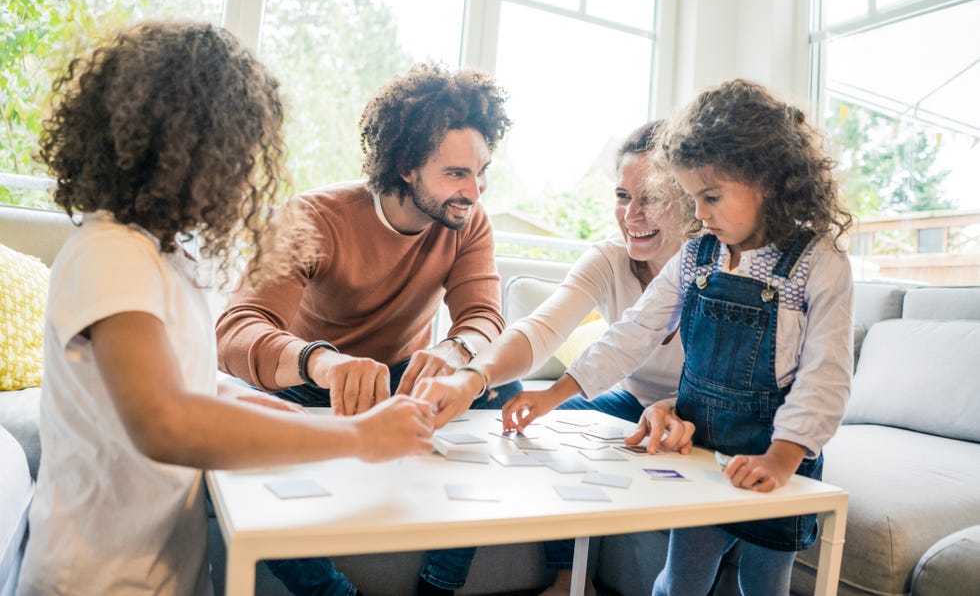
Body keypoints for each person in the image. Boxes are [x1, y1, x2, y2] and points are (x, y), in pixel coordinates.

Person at [16, 21, 436, 596]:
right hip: (95, 577)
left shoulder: (161, 252)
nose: (243, 172)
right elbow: (166, 420)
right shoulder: (109, 253)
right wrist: (359, 438)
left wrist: (255, 402)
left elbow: (184, 374)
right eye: (238, 149)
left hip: (160, 567)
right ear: (189, 150)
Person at [501, 78, 855, 596]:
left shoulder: (820, 263)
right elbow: (634, 332)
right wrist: (556, 393)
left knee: (765, 587)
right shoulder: (697, 256)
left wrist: (781, 457)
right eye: (692, 199)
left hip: (777, 460)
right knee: (678, 582)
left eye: (710, 197)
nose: (700, 214)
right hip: (700, 456)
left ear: (770, 180)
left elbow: (826, 374)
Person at [215, 62, 520, 596]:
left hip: (402, 381)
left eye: (482, 171)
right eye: (455, 174)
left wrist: (455, 351)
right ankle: (331, 592)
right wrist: (323, 361)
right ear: (406, 165)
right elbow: (238, 328)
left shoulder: (469, 220)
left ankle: (438, 585)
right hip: (306, 377)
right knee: (235, 416)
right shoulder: (312, 216)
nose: (474, 192)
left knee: (502, 385)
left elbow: (484, 319)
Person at [414, 119, 692, 594]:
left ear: (688, 202)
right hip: (631, 402)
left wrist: (678, 408)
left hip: (703, 414)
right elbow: (539, 330)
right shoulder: (609, 259)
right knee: (524, 424)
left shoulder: (717, 267)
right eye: (623, 196)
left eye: (650, 198)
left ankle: (571, 580)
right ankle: (473, 583)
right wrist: (472, 378)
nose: (632, 215)